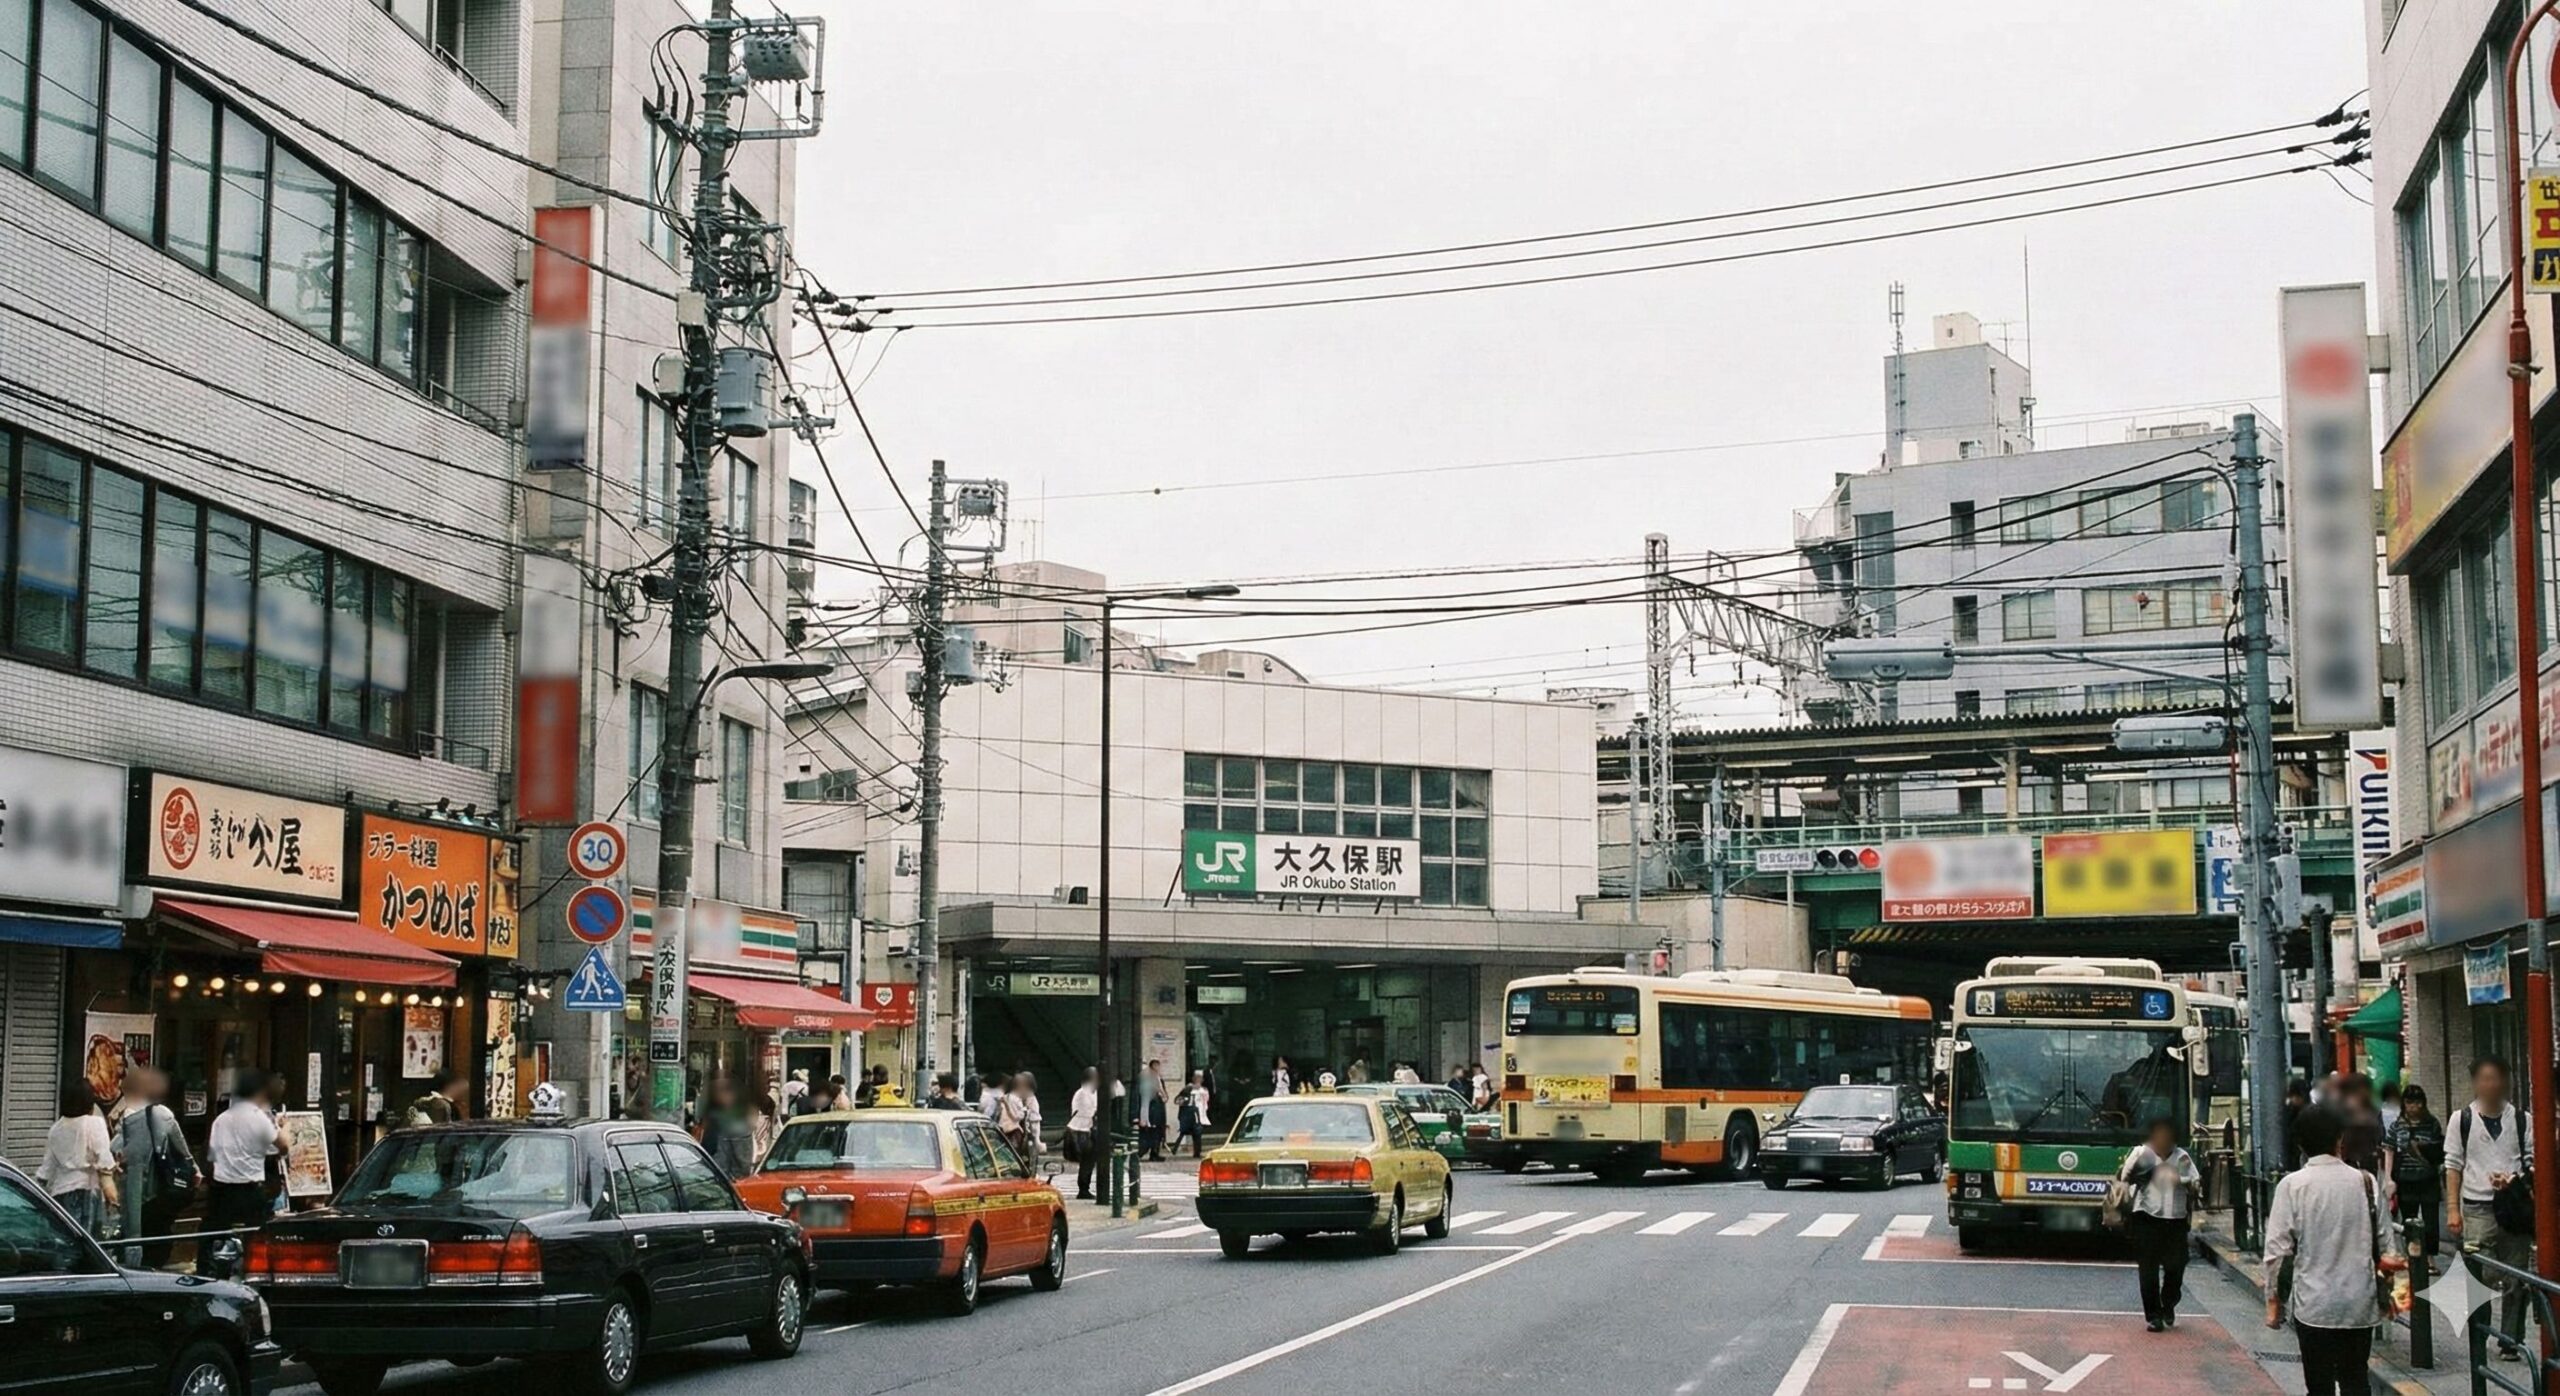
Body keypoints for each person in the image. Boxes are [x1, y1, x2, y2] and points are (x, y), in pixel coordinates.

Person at [2263, 1104, 2392, 1396]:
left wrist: (2274, 1302)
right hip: (2359, 1302)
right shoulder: (2366, 1183)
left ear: (2300, 1144)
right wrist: (2393, 1298)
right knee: (2356, 1380)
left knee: (2319, 1384)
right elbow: (2387, 1244)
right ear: (2340, 1138)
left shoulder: (2292, 1186)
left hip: (2314, 1304)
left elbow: (2277, 1254)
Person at [2447, 1055, 2534, 1356]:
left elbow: (2532, 1162)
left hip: (2513, 1207)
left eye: (2496, 1078)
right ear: (2475, 1083)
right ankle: (2479, 1334)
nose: (2491, 1085)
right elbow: (2453, 1165)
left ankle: (2510, 1340)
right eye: (2485, 1078)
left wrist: (2513, 1179)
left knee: (2516, 1276)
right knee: (2480, 1274)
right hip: (2477, 1206)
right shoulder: (2462, 1119)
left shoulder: (2522, 1120)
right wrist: (2453, 1209)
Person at [2117, 1117, 2201, 1331]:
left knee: (2176, 1267)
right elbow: (2123, 1178)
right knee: (2148, 1269)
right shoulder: (2141, 1154)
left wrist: (2180, 1181)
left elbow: (2196, 1183)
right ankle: (2153, 1316)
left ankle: (2169, 1303)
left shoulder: (2182, 1157)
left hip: (2175, 1219)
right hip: (2145, 1217)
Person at [113, 1065, 192, 1267]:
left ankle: (136, 1263)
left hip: (135, 1185)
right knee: (158, 1228)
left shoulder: (129, 1115)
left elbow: (115, 1148)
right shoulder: (164, 1114)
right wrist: (193, 1168)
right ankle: (154, 1265)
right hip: (161, 1183)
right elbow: (181, 1147)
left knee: (135, 1227)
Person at [206, 1072, 280, 1238]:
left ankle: (215, 1253)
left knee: (218, 1233)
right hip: (249, 1189)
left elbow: (212, 1154)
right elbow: (277, 1148)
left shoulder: (220, 1120)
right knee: (254, 1235)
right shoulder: (258, 1118)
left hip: (222, 1189)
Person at [39, 1078, 116, 1237]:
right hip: (85, 1191)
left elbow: (47, 1169)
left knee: (67, 1239)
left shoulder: (56, 1128)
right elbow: (104, 1160)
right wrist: (111, 1189)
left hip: (60, 1193)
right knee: (86, 1241)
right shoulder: (94, 1123)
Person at [2384, 1084, 2445, 1267]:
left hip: (2428, 1180)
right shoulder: (2397, 1126)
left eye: (2417, 1102)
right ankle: (2413, 1257)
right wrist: (2388, 1178)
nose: (2413, 1107)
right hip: (2406, 1180)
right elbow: (2389, 1150)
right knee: (2409, 1222)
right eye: (2409, 1102)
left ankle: (2430, 1258)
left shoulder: (2432, 1124)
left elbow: (2438, 1150)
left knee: (2431, 1222)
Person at [1068, 1068, 1100, 1199]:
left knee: (1089, 1161)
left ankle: (1085, 1187)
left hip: (1087, 1130)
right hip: (1081, 1130)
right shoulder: (1083, 1093)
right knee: (1087, 1161)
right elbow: (1087, 1111)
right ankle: (1083, 1188)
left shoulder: (1092, 1092)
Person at [1137, 1058, 1169, 1162]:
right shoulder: (1146, 1080)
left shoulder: (1159, 1079)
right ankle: (1142, 1152)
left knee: (1158, 1132)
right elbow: (1144, 1098)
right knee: (1150, 1133)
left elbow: (1164, 1093)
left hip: (1159, 1108)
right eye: (1156, 1067)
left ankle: (1155, 1153)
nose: (1158, 1069)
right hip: (1151, 1110)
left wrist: (1163, 1095)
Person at [1178, 1070, 1210, 1158]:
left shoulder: (1204, 1089)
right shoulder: (1188, 1088)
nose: (1198, 1079)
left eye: (1200, 1078)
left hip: (1201, 1114)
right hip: (1191, 1113)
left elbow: (1206, 1101)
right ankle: (1196, 1151)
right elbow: (1180, 1099)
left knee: (1198, 1133)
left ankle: (1197, 1151)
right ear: (1193, 1078)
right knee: (1195, 1132)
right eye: (1197, 1077)